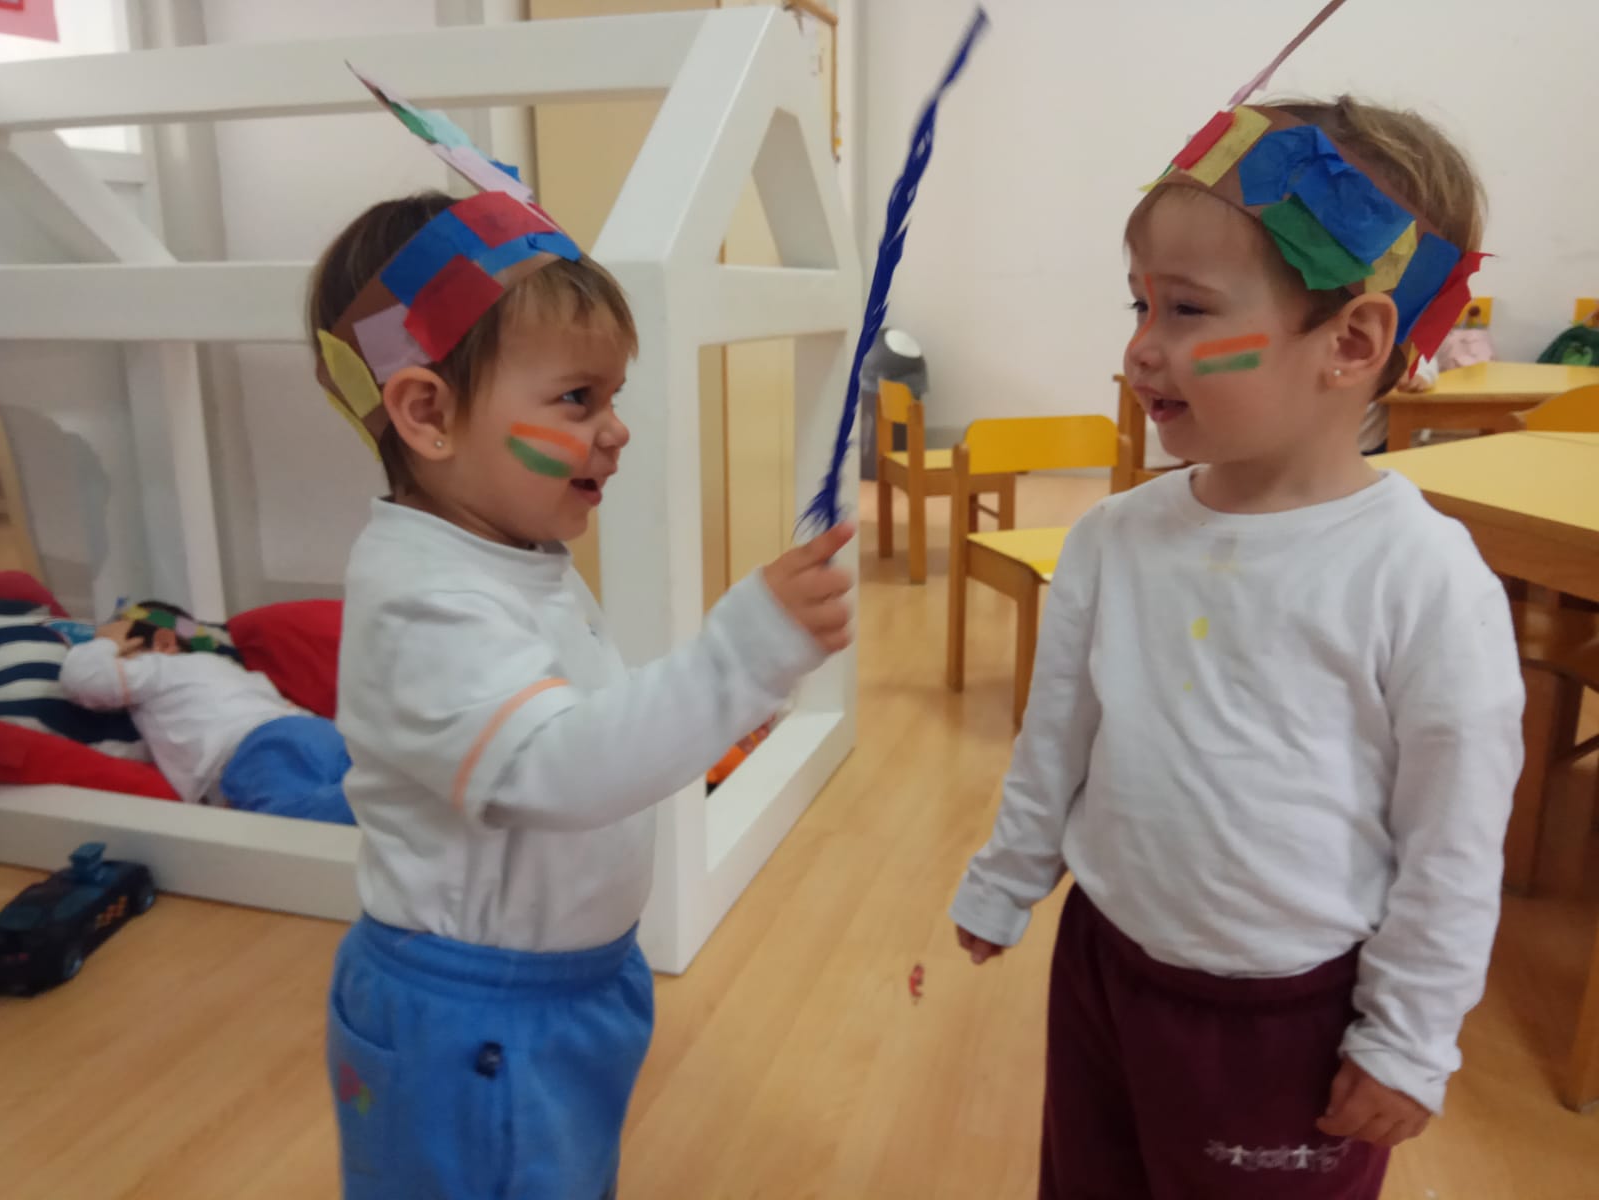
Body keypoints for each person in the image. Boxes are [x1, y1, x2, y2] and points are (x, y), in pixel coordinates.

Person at [951, 96, 1524, 1200]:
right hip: (1106, 962)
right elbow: (1057, 733)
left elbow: (1452, 840)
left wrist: (1409, 1038)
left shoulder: (1424, 576)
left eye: (1187, 309)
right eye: (1140, 302)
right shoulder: (1114, 538)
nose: (1140, 347)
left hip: (1290, 1019)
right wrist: (1008, 876)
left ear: (1350, 343)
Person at [312, 153, 853, 1197]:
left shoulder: (509, 552)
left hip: (558, 994)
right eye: (575, 397)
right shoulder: (424, 600)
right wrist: (737, 658)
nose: (616, 427)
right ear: (427, 414)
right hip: (475, 1022)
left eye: (611, 394)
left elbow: (585, 715)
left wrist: (726, 694)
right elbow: (554, 768)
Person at [58, 599, 354, 823]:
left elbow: (85, 680)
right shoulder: (234, 671)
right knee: (353, 787)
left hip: (254, 748)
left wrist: (104, 642)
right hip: (318, 731)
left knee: (290, 823)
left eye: (121, 652)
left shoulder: (156, 667)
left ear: (164, 642)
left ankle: (375, 804)